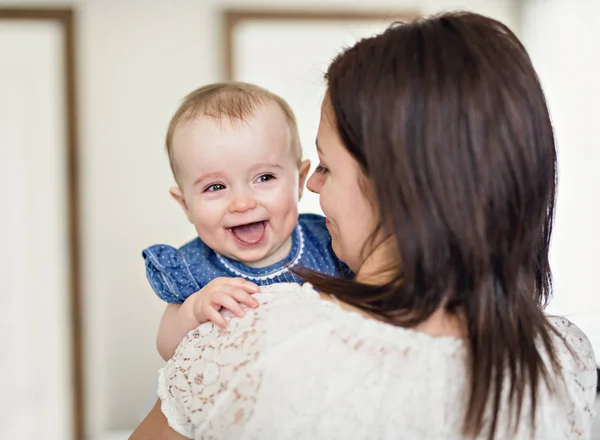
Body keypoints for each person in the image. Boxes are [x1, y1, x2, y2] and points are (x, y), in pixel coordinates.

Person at [131, 11, 598, 440]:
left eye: (327, 167)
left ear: (394, 183)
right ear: (184, 202)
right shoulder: (565, 360)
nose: (312, 186)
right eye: (215, 188)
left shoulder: (248, 347)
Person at [143, 82, 349, 360]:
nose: (242, 203)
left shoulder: (328, 243)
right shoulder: (193, 269)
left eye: (264, 178)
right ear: (186, 205)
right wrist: (193, 311)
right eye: (215, 187)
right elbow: (167, 349)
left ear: (299, 181)